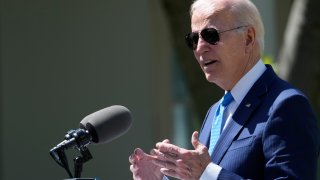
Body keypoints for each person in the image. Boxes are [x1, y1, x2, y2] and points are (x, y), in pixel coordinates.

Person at [129, 0, 320, 179]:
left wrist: (208, 173)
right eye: (193, 39)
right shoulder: (215, 112)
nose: (200, 48)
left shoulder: (287, 106)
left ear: (248, 38)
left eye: (211, 35)